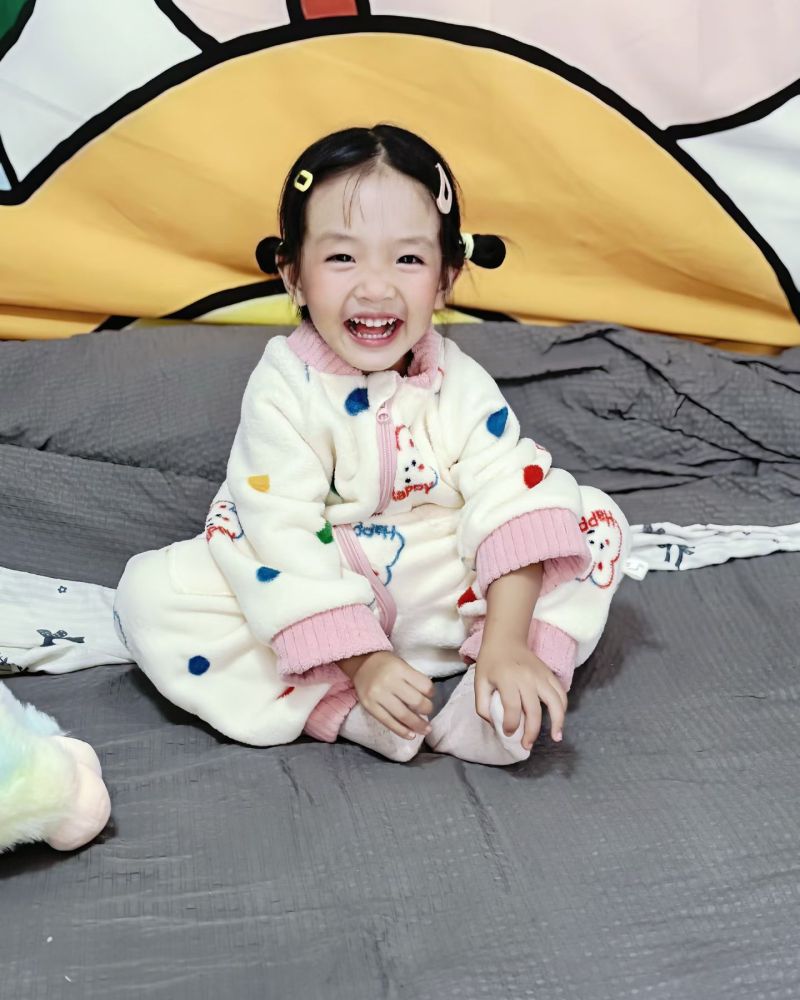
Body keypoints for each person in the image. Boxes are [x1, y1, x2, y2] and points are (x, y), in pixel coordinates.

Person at [113, 124, 630, 765]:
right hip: (317, 593)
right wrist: (363, 662)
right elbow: (282, 536)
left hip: (446, 595)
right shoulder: (283, 390)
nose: (376, 287)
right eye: (342, 258)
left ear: (446, 277)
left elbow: (510, 498)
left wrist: (506, 637)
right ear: (293, 276)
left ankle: (502, 695)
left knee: (591, 519)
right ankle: (348, 709)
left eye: (408, 260)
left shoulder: (458, 382)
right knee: (150, 593)